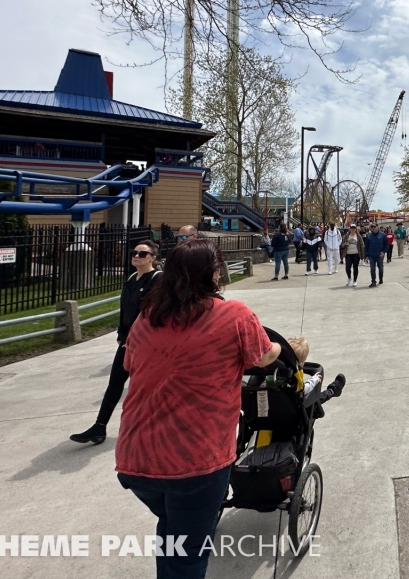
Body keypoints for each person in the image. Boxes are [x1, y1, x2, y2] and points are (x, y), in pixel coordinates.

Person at [115, 241, 280, 579]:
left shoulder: (147, 318)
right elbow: (262, 357)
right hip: (194, 462)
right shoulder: (234, 315)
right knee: (189, 557)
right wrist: (280, 345)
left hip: (136, 460)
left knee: (174, 530)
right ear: (215, 274)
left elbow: (131, 364)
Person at [70, 240, 162, 445]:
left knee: (147, 387)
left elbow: (152, 314)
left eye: (142, 254)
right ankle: (99, 427)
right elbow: (125, 311)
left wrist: (139, 338)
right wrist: (122, 335)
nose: (136, 256)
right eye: (134, 252)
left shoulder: (157, 279)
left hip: (145, 343)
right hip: (126, 342)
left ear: (153, 258)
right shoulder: (131, 278)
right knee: (115, 383)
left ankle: (153, 427)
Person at [364, 223, 389, 287]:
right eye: (371, 227)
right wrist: (366, 255)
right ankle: (373, 281)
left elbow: (386, 245)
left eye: (374, 226)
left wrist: (383, 252)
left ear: (377, 227)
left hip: (379, 255)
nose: (373, 228)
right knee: (372, 269)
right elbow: (366, 246)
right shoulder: (369, 236)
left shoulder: (383, 235)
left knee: (380, 268)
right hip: (371, 255)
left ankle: (381, 278)